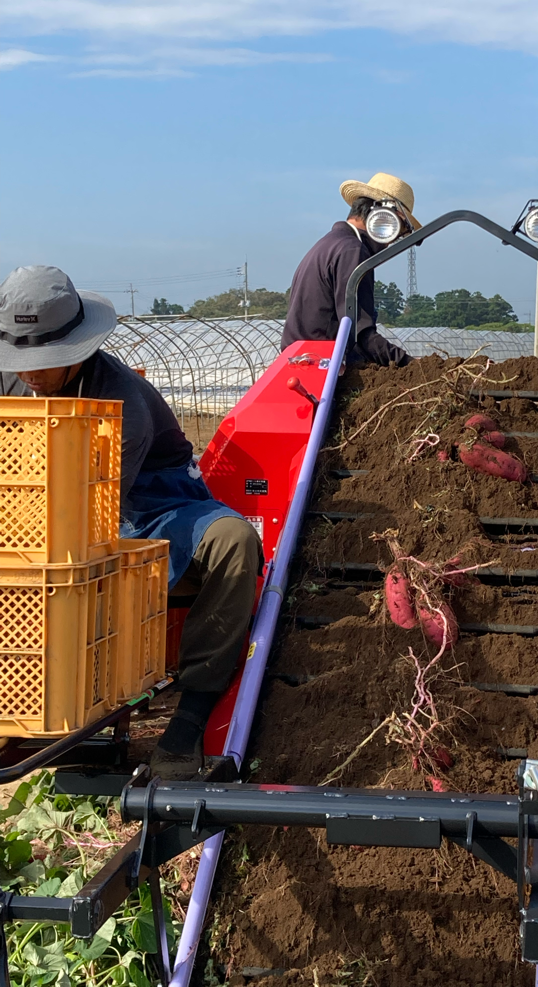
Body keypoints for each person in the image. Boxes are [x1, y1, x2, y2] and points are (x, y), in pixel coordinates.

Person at [0, 265, 263, 780]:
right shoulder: (12, 380)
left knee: (235, 541)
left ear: (79, 348)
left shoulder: (124, 404)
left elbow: (88, 517)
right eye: (21, 359)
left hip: (154, 507)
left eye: (44, 362)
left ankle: (191, 715)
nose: (31, 373)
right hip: (40, 506)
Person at [281, 172, 418, 366]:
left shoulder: (331, 244)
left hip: (304, 361)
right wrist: (413, 366)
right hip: (319, 368)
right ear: (383, 218)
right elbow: (361, 336)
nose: (392, 241)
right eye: (398, 228)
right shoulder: (352, 251)